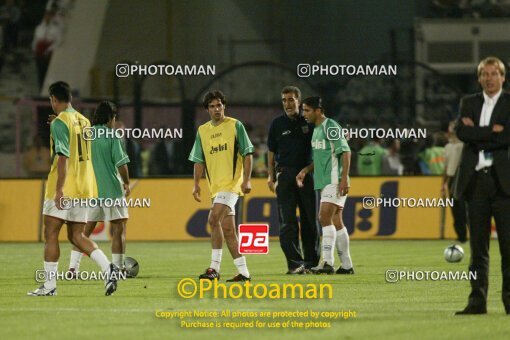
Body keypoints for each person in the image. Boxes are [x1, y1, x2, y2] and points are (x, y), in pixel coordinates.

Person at [28, 82, 119, 296]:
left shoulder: (61, 122)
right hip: (85, 186)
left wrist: (59, 190)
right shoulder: (84, 121)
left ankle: (49, 286)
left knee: (50, 233)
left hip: (65, 186)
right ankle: (108, 269)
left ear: (53, 99)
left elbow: (62, 157)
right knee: (77, 236)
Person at [455, 56, 510, 315]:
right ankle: (477, 302)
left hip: (503, 184)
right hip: (475, 182)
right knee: (478, 249)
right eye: (484, 74)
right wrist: (493, 133)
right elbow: (462, 133)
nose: (489, 78)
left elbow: (507, 136)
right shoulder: (468, 102)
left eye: (494, 74)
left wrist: (478, 132)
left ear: (503, 77)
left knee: (508, 248)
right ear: (479, 78)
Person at [188, 90, 254, 282]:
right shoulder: (202, 131)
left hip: (232, 185)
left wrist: (247, 180)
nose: (217, 109)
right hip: (215, 188)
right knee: (228, 230)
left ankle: (214, 269)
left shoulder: (235, 126)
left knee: (213, 218)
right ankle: (244, 272)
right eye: (212, 106)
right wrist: (196, 184)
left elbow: (248, 153)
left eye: (219, 105)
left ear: (224, 106)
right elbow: (198, 160)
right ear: (207, 109)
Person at [67, 101, 131, 276]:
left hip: (89, 191)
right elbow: (122, 164)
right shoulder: (112, 136)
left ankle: (73, 267)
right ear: (111, 117)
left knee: (82, 232)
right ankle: (118, 268)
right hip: (111, 190)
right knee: (118, 230)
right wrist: (126, 182)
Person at [296, 96, 354, 275]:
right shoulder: (316, 130)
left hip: (334, 179)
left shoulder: (330, 126)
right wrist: (305, 170)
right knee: (336, 220)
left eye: (307, 110)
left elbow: (345, 151)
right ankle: (346, 266)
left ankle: (327, 263)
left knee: (323, 217)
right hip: (325, 181)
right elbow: (321, 157)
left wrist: (344, 178)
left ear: (318, 111)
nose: (303, 114)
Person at [267, 86, 319, 274]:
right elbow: (271, 151)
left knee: (309, 221)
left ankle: (312, 263)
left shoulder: (309, 122)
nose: (287, 104)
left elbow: (322, 142)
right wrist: (271, 176)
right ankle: (295, 264)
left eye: (290, 99)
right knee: (287, 222)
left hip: (306, 175)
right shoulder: (276, 124)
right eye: (284, 100)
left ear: (299, 101)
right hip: (285, 174)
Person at [441, 120, 467, 243]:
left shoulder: (465, 145)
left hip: (463, 178)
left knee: (464, 209)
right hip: (452, 179)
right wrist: (443, 184)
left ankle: (474, 235)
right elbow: (445, 168)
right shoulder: (448, 147)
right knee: (456, 210)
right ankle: (461, 236)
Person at [32, 10, 63, 89]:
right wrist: (34, 50)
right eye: (46, 16)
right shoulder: (39, 28)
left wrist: (49, 50)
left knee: (47, 73)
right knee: (40, 73)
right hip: (39, 53)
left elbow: (58, 41)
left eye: (49, 16)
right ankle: (41, 89)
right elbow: (35, 40)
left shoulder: (55, 29)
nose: (47, 18)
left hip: (48, 53)